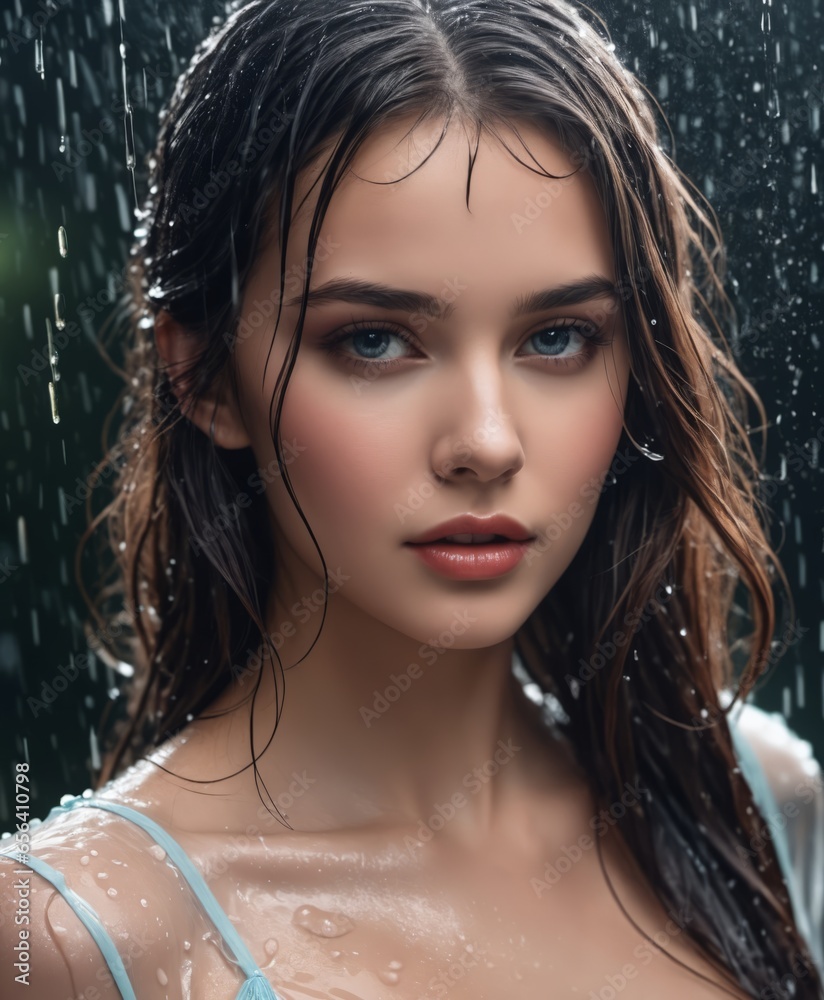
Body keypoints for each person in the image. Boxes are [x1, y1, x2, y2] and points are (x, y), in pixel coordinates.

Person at [2, 0, 822, 997]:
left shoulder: (757, 805)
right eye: (375, 340)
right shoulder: (72, 935)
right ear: (205, 377)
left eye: (556, 337)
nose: (483, 441)